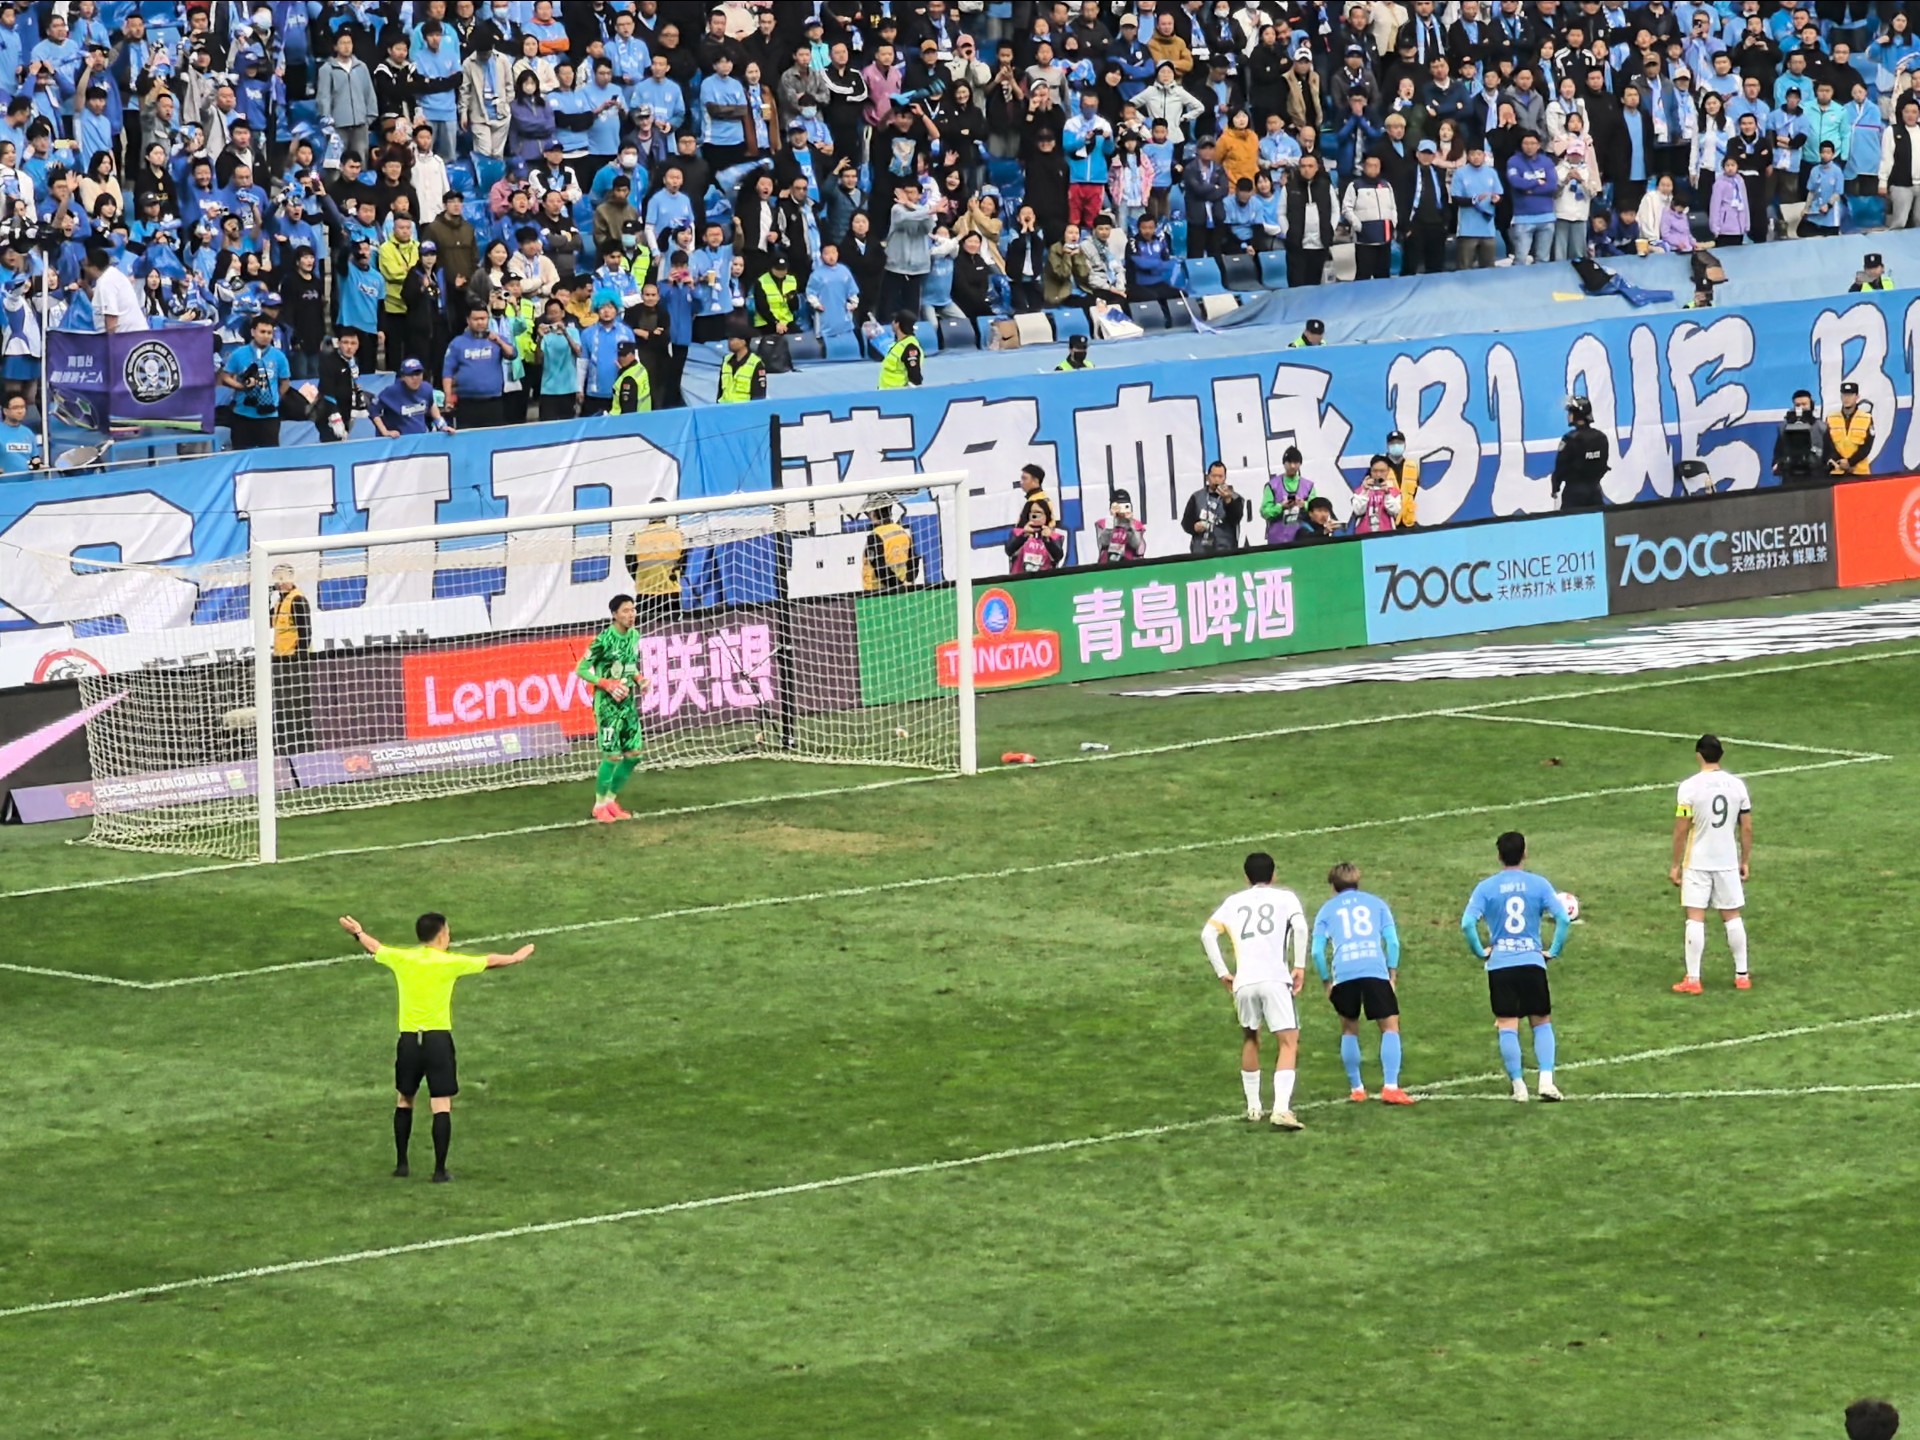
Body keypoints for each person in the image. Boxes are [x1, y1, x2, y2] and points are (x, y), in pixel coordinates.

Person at [336, 912, 534, 1183]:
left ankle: (402, 1165)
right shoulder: (449, 962)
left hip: (409, 1040)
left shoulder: (404, 959)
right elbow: (488, 961)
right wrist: (515, 957)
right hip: (437, 1041)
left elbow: (375, 947)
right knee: (441, 1104)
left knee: (405, 1098)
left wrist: (358, 933)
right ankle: (440, 1170)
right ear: (441, 934)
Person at [1199, 851, 1308, 1130]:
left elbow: (1207, 934)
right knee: (1288, 1041)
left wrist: (1223, 972)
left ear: (1247, 876)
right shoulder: (1286, 897)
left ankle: (1253, 1107)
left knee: (1250, 1037)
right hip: (1274, 978)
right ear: (1274, 874)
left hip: (1244, 981)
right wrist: (1299, 965)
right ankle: (1281, 1109)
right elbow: (1300, 927)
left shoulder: (1233, 902)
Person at [1461, 831, 1570, 1104]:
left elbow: (1466, 924)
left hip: (1500, 965)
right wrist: (1552, 952)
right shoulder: (1539, 884)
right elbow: (1563, 920)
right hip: (1532, 962)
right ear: (1525, 853)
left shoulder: (1485, 888)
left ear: (1499, 856)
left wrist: (1480, 951)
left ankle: (1519, 1086)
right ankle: (1546, 1080)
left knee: (1507, 1024)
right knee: (1541, 1021)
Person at [1312, 862, 1415, 1106]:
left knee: (1349, 1029)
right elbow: (1393, 943)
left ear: (1333, 886)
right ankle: (1391, 1086)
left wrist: (1327, 982)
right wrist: (1392, 974)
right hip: (1374, 970)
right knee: (1389, 1026)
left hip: (1344, 973)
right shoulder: (1377, 904)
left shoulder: (1326, 910)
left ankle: (1357, 1088)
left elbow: (1317, 952)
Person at [1670, 734, 1755, 995]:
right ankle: (1742, 975)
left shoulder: (1689, 788)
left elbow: (1682, 828)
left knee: (1695, 917)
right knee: (1732, 915)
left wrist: (1675, 863)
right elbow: (1747, 827)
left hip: (1697, 861)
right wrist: (1745, 860)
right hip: (1727, 860)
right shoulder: (1738, 786)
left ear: (1699, 755)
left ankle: (1693, 979)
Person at [575, 593, 650, 822]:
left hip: (627, 703)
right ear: (615, 614)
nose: (631, 615)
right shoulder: (604, 640)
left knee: (634, 754)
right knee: (613, 756)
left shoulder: (635, 635)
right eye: (626, 611)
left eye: (633, 610)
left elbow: (629, 665)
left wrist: (640, 679)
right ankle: (599, 806)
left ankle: (611, 800)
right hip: (608, 705)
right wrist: (605, 683)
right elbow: (581, 669)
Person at [219, 315, 291, 450]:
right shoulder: (239, 354)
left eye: (269, 333)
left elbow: (285, 382)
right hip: (243, 415)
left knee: (270, 458)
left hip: (269, 416)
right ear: (253, 332)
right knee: (241, 456)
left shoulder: (279, 356)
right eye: (262, 332)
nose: (266, 336)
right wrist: (242, 387)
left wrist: (273, 397)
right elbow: (225, 377)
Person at [441, 301, 514, 429]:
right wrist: (448, 398)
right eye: (476, 319)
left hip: (494, 402)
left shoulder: (497, 339)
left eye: (483, 318)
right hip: (467, 403)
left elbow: (512, 354)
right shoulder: (457, 343)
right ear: (468, 320)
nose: (480, 322)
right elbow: (447, 372)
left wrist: (499, 341)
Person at [268, 562, 315, 756]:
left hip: (294, 660)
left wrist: (300, 659)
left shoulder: (298, 600)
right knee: (283, 704)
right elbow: (267, 620)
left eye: (280, 579)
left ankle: (302, 747)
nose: (278, 583)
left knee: (297, 704)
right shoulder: (280, 602)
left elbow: (306, 632)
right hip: (280, 658)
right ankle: (285, 745)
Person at [625, 517, 687, 632]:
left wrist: (642, 579)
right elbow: (684, 562)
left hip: (646, 593)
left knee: (645, 631)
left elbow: (630, 564)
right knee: (672, 631)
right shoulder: (678, 535)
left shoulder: (636, 536)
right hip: (671, 592)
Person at [1552, 396, 1610, 511]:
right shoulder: (1601, 437)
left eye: (1570, 412)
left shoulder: (1569, 439)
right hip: (1595, 493)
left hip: (1573, 496)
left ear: (1577, 414)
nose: (1568, 416)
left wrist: (1555, 486)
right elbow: (1603, 464)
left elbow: (1560, 466)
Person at [1181, 461, 1245, 556]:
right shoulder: (1196, 497)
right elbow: (1186, 522)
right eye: (1213, 476)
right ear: (1208, 477)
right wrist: (1194, 527)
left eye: (1220, 476)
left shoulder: (1235, 498)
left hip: (1226, 551)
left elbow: (1236, 519)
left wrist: (1228, 501)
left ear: (1225, 478)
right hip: (1200, 552)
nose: (1216, 480)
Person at [861, 494, 921, 593]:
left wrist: (897, 586)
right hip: (902, 590)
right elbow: (913, 561)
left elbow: (881, 569)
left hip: (877, 593)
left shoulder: (875, 536)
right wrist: (908, 582)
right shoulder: (902, 532)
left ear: (874, 514)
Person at [370, 358, 441, 437]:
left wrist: (442, 425)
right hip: (398, 440)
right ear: (403, 377)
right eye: (411, 375)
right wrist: (385, 432)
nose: (415, 378)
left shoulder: (427, 388)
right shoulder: (392, 391)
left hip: (420, 438)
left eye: (418, 374)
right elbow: (373, 410)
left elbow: (431, 405)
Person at [1261, 448, 1316, 545]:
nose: (1292, 466)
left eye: (1296, 462)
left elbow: (1316, 509)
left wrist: (1304, 504)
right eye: (1289, 462)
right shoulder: (1272, 485)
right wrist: (1281, 507)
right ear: (1284, 463)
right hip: (1278, 538)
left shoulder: (1308, 486)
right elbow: (1265, 511)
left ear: (1300, 464)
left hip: (1303, 537)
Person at [1773, 390, 1825, 485]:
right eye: (1797, 405)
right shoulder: (1784, 427)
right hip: (1790, 476)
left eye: (1804, 404)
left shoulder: (1821, 427)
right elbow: (1778, 450)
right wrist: (1777, 463)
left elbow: (1828, 450)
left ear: (1811, 405)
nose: (1801, 408)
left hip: (1815, 475)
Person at [1826, 380, 1874, 475]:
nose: (1846, 398)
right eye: (1844, 395)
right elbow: (1828, 444)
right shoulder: (1830, 418)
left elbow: (1867, 446)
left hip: (1859, 472)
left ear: (1857, 397)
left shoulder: (1867, 418)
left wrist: (1850, 462)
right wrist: (1840, 462)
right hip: (1837, 471)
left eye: (1850, 395)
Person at [1350, 456, 1403, 534]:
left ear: (1388, 471)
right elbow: (1358, 511)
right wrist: (1364, 491)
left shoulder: (1394, 492)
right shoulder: (1360, 491)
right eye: (1375, 471)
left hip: (1386, 535)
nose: (1378, 474)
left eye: (1382, 471)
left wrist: (1387, 494)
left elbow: (1395, 512)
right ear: (1370, 471)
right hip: (1363, 535)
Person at [1093, 488, 1146, 564]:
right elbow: (1103, 543)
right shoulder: (1103, 523)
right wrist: (1111, 526)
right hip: (1107, 564)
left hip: (1130, 564)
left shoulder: (1136, 524)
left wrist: (1130, 527)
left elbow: (1137, 547)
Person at [716, 329, 767, 403]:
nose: (729, 342)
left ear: (743, 341)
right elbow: (720, 391)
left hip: (743, 410)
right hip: (724, 409)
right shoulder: (726, 360)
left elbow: (759, 395)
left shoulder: (756, 363)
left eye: (732, 339)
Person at [877, 309, 923, 390]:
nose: (892, 323)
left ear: (897, 324)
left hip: (896, 395)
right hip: (885, 393)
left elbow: (915, 378)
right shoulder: (899, 343)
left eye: (893, 320)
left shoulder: (910, 347)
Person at [0, 390, 41, 472]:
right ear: (5, 411)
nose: (20, 411)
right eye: (15, 408)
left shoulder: (28, 433)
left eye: (22, 407)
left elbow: (34, 458)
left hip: (27, 483)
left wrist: (37, 464)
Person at [610, 336, 652, 415]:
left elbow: (627, 410)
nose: (621, 358)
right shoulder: (640, 368)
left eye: (624, 355)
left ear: (633, 354)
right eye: (619, 354)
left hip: (621, 423)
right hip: (644, 417)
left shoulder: (628, 379)